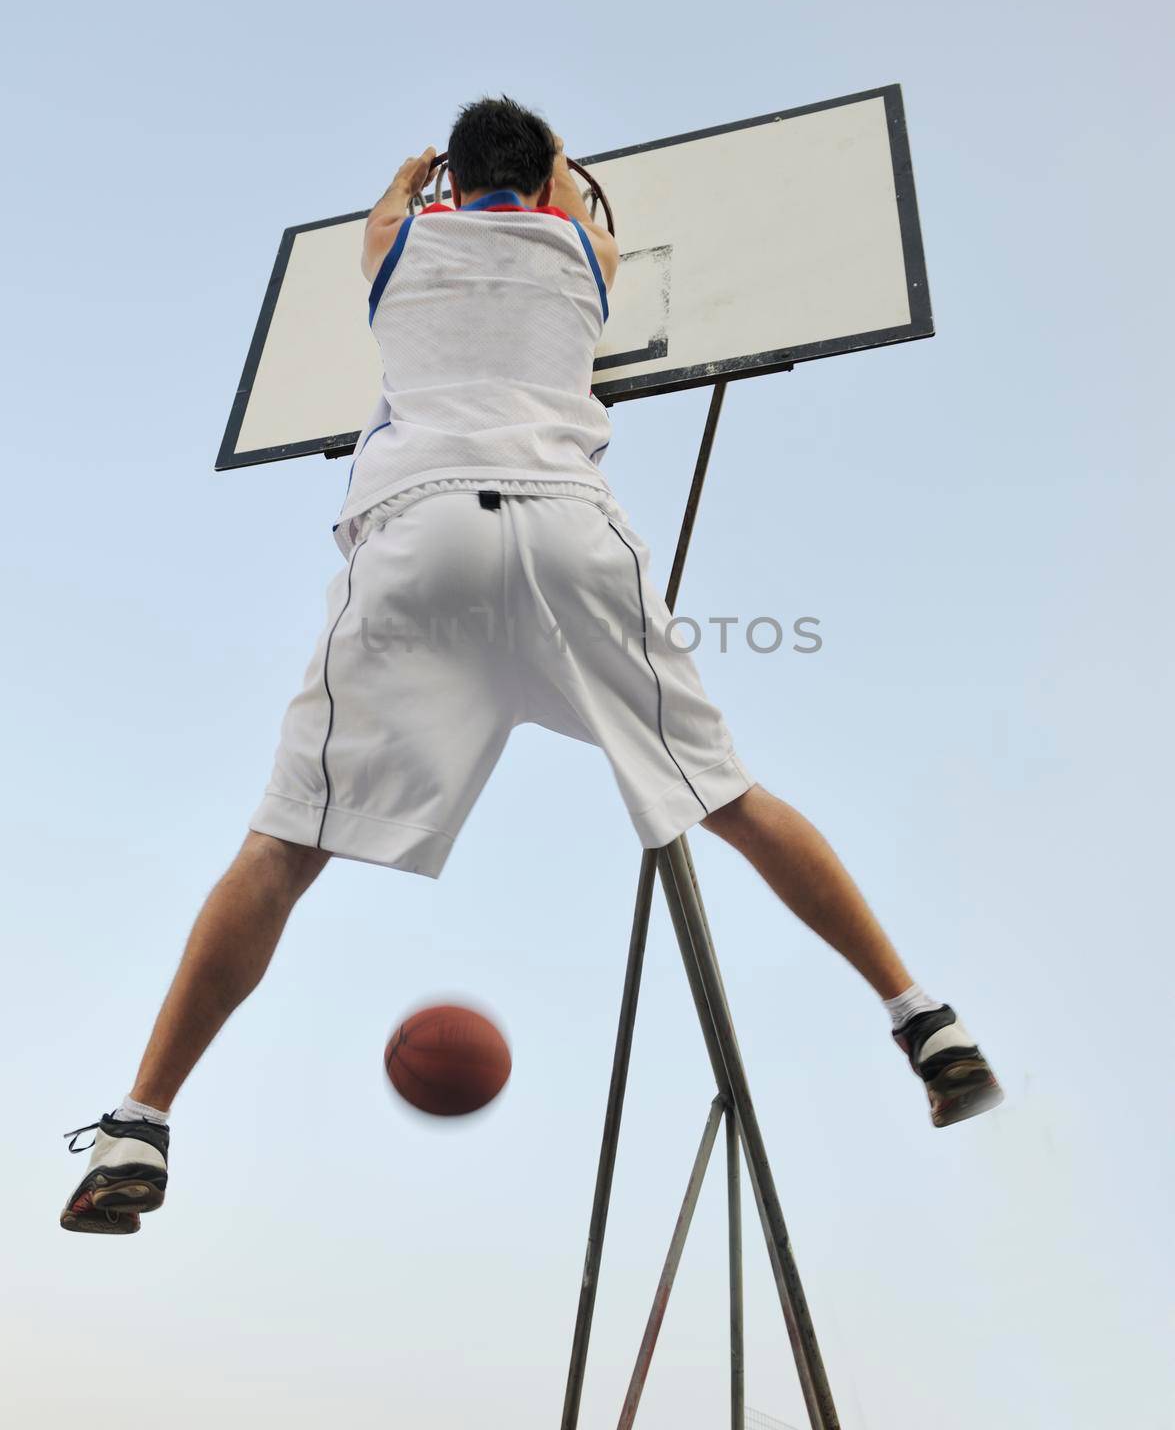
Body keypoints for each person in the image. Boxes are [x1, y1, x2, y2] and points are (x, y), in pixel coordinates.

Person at [61, 96, 1002, 1235]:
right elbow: (570, 208)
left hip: (419, 534)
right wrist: (565, 177)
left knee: (281, 845)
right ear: (552, 182)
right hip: (568, 528)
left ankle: (140, 1119)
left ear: (446, 182)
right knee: (731, 800)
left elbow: (389, 211)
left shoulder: (396, 243)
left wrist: (414, 182)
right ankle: (923, 1017)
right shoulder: (583, 248)